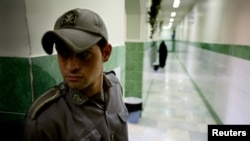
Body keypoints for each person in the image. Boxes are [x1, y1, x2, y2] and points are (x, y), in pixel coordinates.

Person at [23, 8, 129, 141]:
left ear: (106, 53)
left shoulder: (115, 86)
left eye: (84, 54)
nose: (71, 67)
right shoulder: (45, 121)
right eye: (64, 53)